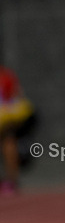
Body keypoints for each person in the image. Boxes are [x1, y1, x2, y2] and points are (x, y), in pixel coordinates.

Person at [0, 65, 33, 195]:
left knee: (9, 142)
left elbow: (18, 101)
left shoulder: (5, 77)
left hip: (6, 124)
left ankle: (12, 180)